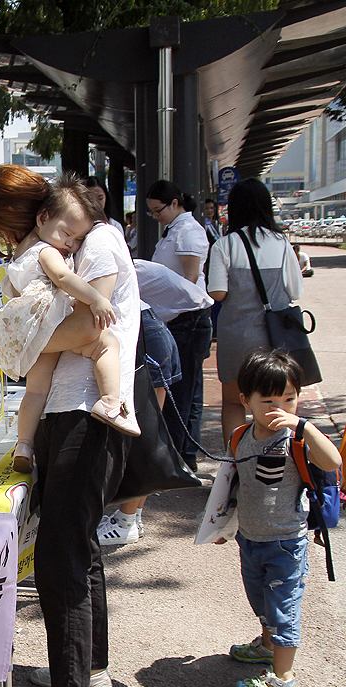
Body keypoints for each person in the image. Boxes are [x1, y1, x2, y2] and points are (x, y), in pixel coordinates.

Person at [0, 209, 140, 687]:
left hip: (85, 419)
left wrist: (21, 339)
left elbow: (91, 327)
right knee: (79, 549)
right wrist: (24, 340)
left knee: (59, 561)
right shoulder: (77, 248)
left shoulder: (96, 247)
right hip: (73, 415)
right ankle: (89, 668)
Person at [0, 168, 139, 474]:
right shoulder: (47, 250)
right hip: (61, 364)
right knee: (105, 344)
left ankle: (24, 443)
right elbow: (65, 282)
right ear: (41, 217)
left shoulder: (83, 241)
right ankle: (110, 401)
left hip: (74, 396)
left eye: (6, 232)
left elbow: (85, 326)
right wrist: (95, 300)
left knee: (35, 392)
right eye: (68, 236)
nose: (71, 244)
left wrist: (15, 340)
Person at [222, 350, 341, 687]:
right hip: (251, 537)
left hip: (287, 541)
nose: (280, 407)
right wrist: (223, 525)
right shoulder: (241, 436)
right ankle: (267, 644)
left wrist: (302, 425)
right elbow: (235, 485)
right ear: (246, 400)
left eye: (289, 398)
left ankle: (283, 678)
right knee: (259, 599)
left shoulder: (296, 437)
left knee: (283, 607)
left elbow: (333, 461)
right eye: (269, 399)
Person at [97, 258, 206, 546]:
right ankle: (131, 516)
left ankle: (126, 521)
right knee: (142, 428)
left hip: (142, 337)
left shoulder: (94, 251)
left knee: (142, 432)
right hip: (146, 331)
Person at [206, 178, 305, 443]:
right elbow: (295, 291)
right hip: (275, 338)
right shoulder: (282, 243)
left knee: (233, 401)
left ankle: (235, 461)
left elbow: (217, 293)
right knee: (275, 400)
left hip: (237, 335)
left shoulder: (224, 245)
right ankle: (274, 456)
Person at [146, 179, 212, 470]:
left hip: (188, 318)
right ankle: (185, 458)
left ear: (175, 204)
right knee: (187, 393)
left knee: (181, 395)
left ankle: (178, 460)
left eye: (158, 210)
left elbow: (190, 281)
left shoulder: (187, 231)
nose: (155, 216)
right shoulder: (175, 229)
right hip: (182, 318)